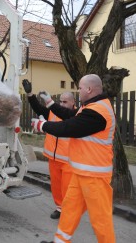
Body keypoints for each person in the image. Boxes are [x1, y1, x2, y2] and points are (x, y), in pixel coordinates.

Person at [32, 74, 116, 243]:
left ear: (89, 89)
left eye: (80, 88)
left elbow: (69, 127)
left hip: (94, 177)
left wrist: (42, 125)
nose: (78, 91)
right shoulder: (90, 107)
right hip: (81, 173)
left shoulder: (98, 111)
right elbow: (67, 115)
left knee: (101, 221)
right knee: (69, 210)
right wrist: (49, 102)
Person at [22, 79, 75, 219]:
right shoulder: (53, 112)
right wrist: (30, 94)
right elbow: (38, 108)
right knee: (56, 188)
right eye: (61, 101)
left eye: (65, 102)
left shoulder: (76, 116)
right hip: (53, 158)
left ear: (73, 103)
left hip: (70, 160)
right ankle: (59, 208)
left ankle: (69, 211)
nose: (62, 104)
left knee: (68, 189)